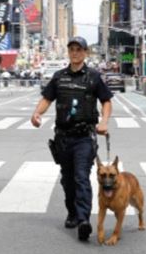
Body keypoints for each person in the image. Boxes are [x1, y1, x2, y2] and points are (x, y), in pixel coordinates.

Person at [29, 36, 113, 242]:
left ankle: (84, 219)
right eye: (72, 49)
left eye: (79, 49)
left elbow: (106, 101)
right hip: (63, 138)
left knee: (81, 177)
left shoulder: (93, 77)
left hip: (84, 137)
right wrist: (36, 114)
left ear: (85, 52)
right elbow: (47, 99)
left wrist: (104, 121)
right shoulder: (59, 77)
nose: (75, 52)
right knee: (68, 180)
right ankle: (73, 213)